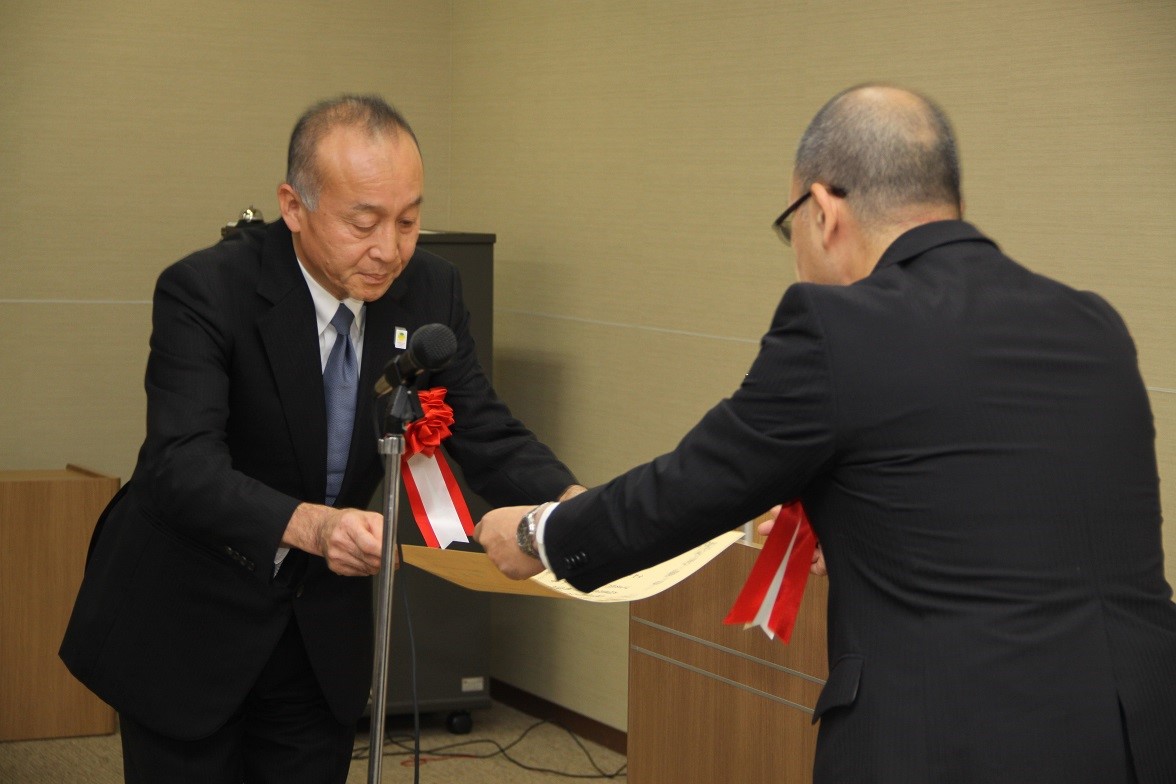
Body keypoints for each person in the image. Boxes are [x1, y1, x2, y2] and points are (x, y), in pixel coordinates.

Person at [475, 84, 1176, 783]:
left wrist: (544, 534)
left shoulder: (839, 326)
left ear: (823, 209)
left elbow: (689, 488)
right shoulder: (1093, 326)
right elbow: (1008, 513)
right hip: (1134, 732)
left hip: (947, 743)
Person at [60, 94, 583, 784]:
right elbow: (180, 466)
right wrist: (311, 526)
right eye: (363, 223)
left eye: (409, 219)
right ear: (295, 205)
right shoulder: (207, 290)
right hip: (191, 613)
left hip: (318, 630)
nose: (390, 250)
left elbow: (483, 425)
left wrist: (581, 508)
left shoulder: (431, 289)